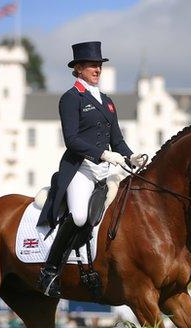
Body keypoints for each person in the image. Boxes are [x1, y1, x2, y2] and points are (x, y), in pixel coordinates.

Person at [36, 41, 145, 297]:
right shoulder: (71, 98)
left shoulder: (107, 101)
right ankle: (50, 271)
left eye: (99, 65)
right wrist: (104, 154)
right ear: (78, 69)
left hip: (104, 171)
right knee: (79, 217)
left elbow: (116, 139)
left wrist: (131, 157)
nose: (97, 69)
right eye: (92, 65)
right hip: (80, 169)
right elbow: (71, 140)